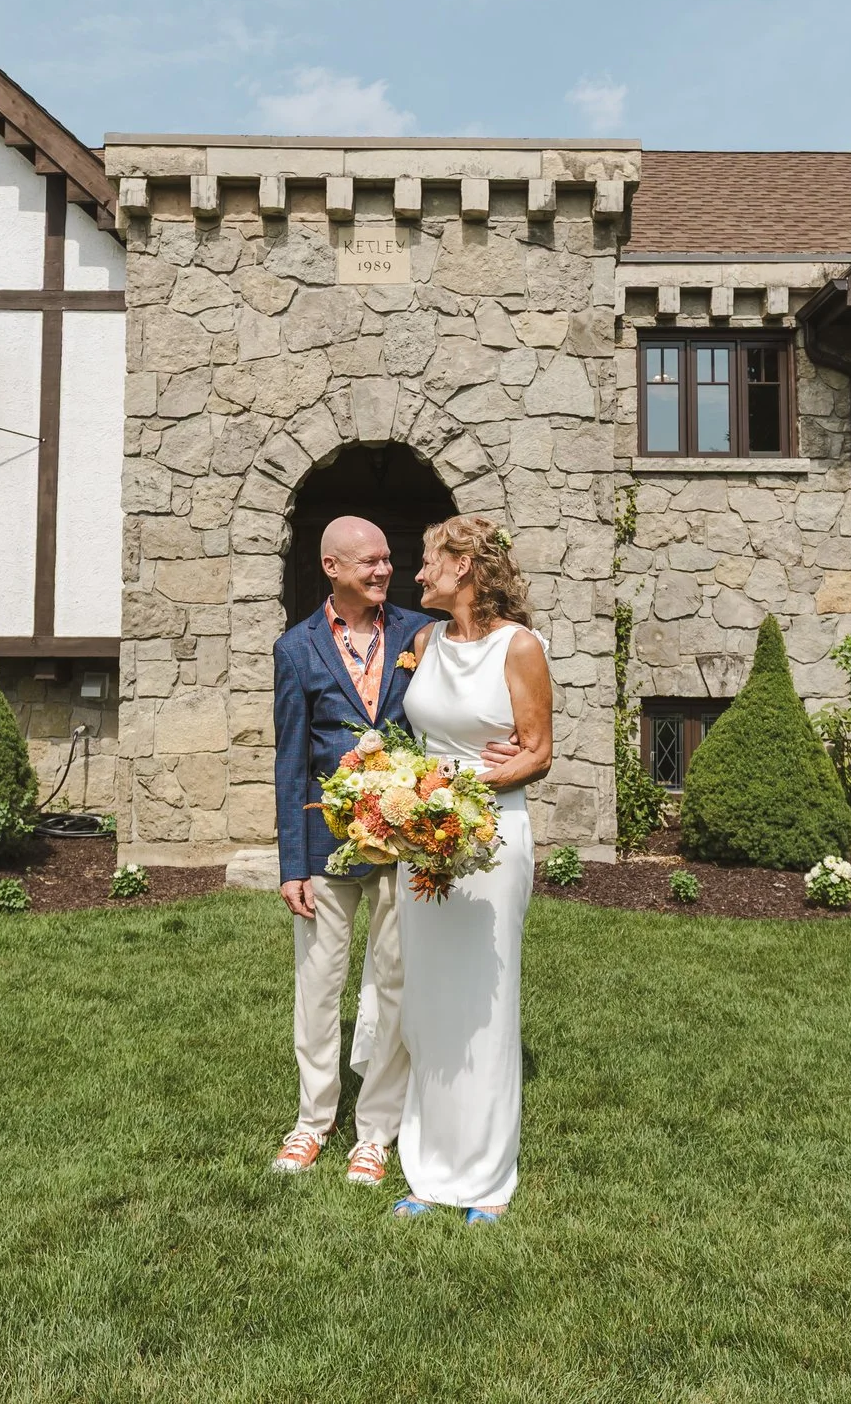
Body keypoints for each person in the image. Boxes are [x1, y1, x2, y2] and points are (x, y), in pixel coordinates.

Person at [388, 514, 552, 1224]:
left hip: (490, 839)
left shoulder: (519, 648)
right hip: (422, 837)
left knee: (484, 1007)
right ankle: (427, 1172)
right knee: (427, 1005)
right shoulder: (424, 641)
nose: (418, 574)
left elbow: (538, 751)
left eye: (429, 561)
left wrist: (466, 798)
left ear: (465, 567)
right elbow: (411, 733)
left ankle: (485, 1180)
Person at [267, 516, 433, 1186]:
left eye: (388, 559)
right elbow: (289, 759)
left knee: (394, 984)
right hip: (325, 845)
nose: (383, 570)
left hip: (400, 839)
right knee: (319, 985)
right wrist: (292, 863)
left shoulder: (420, 633)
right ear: (332, 567)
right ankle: (312, 1122)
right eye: (368, 561)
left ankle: (376, 1131)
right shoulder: (296, 647)